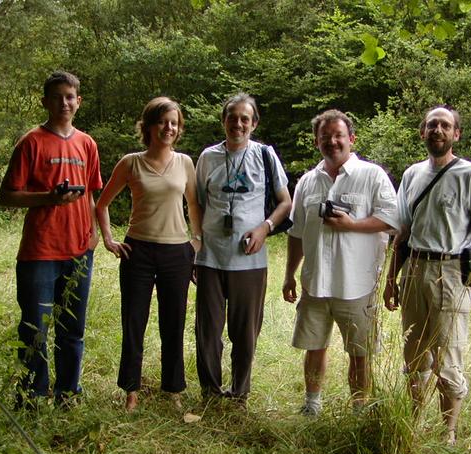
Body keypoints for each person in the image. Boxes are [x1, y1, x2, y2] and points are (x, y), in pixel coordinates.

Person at [383, 105, 471, 445]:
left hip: (452, 272)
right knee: (415, 354)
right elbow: (402, 232)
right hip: (414, 271)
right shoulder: (411, 175)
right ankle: (413, 425)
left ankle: (448, 434)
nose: (437, 130)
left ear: (456, 134)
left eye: (445, 125)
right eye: (432, 125)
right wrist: (391, 279)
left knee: (448, 360)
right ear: (422, 132)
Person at [282, 109, 398, 416]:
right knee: (314, 346)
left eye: (338, 136)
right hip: (316, 281)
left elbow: (392, 219)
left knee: (360, 353)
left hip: (356, 283)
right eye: (325, 137)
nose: (332, 142)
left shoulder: (372, 176)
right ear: (316, 141)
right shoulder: (307, 181)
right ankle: (312, 404)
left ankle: (359, 409)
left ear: (351, 139)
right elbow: (295, 233)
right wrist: (289, 275)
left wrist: (352, 225)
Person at [0, 70, 102, 408]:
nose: (64, 103)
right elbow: (7, 196)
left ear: (79, 101)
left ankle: (67, 394)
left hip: (78, 252)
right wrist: (48, 198)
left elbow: (90, 194)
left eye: (70, 96)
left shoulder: (87, 144)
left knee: (72, 331)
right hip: (39, 252)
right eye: (57, 96)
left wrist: (94, 233)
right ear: (45, 101)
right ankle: (32, 395)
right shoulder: (31, 142)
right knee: (34, 330)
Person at [95, 97, 202, 412]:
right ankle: (131, 391)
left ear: (178, 128)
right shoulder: (130, 162)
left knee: (174, 323)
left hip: (176, 253)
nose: (168, 128)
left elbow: (194, 205)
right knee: (134, 321)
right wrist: (108, 240)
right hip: (137, 251)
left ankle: (174, 391)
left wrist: (196, 241)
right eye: (162, 122)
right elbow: (101, 204)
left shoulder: (185, 162)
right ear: (149, 126)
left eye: (174, 123)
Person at [194, 93, 292, 405]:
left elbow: (286, 202)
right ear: (223, 121)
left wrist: (265, 227)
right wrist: (196, 241)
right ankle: (210, 391)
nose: (238, 123)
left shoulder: (265, 155)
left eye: (244, 119)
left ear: (254, 123)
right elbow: (196, 202)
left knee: (245, 331)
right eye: (232, 117)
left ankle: (239, 392)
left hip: (249, 259)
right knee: (208, 329)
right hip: (210, 255)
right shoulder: (208, 157)